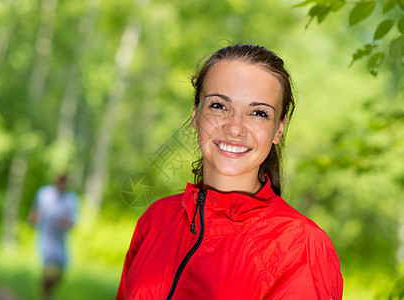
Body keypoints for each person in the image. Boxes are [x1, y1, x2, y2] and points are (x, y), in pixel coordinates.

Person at [117, 44, 343, 299]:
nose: (235, 128)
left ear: (279, 128)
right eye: (219, 106)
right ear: (196, 112)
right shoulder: (156, 220)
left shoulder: (301, 246)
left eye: (258, 113)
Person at [29, 175, 78, 300]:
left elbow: (73, 222)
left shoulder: (71, 200)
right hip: (45, 239)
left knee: (61, 273)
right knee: (48, 270)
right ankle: (45, 296)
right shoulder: (44, 194)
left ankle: (46, 291)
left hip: (61, 242)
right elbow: (34, 211)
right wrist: (33, 219)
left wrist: (65, 223)